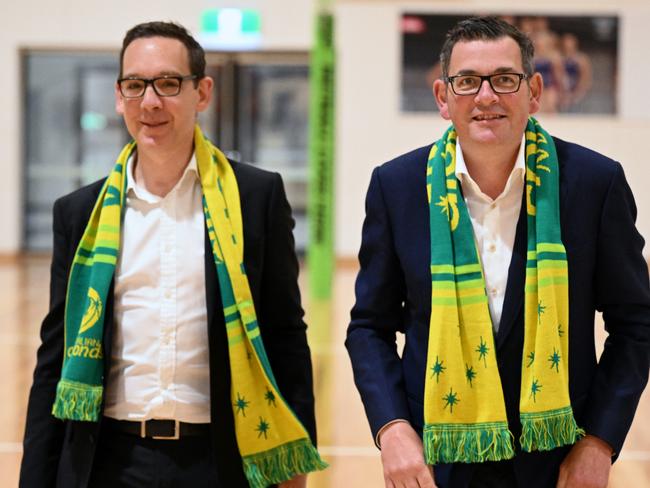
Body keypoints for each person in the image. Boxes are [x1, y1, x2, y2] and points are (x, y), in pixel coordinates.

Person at [346, 16, 649, 488]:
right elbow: (369, 326)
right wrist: (392, 429)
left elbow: (636, 325)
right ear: (443, 98)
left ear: (534, 91)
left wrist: (600, 442)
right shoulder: (396, 186)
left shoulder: (595, 184)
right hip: (434, 461)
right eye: (467, 81)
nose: (486, 97)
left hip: (559, 464)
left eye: (504, 79)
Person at [20, 21, 326, 488]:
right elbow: (54, 361)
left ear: (202, 93)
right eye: (135, 85)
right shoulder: (80, 214)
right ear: (119, 96)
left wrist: (295, 458)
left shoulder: (255, 198)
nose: (150, 102)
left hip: (221, 460)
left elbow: (285, 335)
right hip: (107, 462)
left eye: (168, 83)